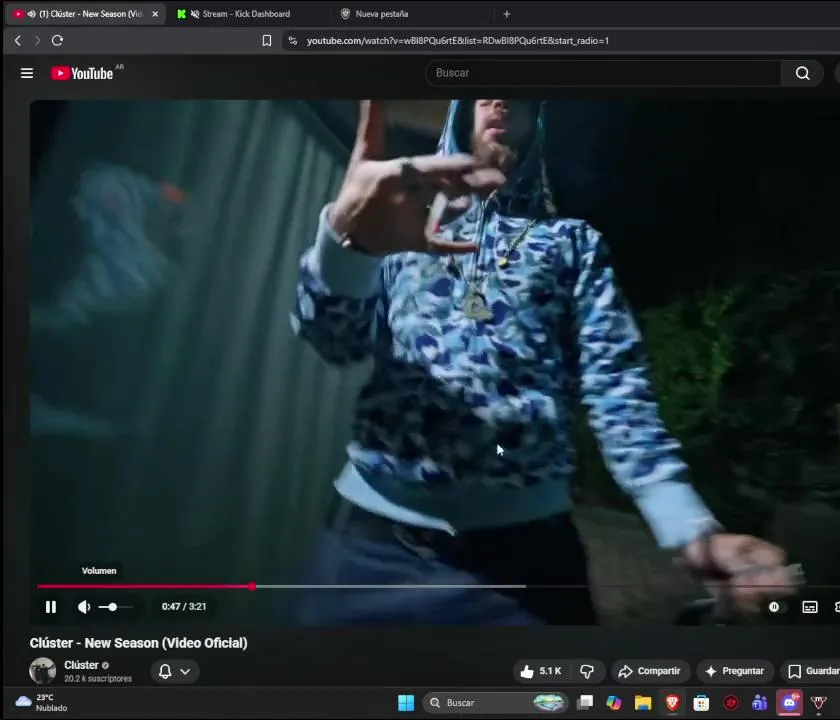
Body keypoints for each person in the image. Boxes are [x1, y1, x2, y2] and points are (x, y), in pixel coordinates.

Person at [289, 99, 797, 625]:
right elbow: (334, 343)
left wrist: (688, 526)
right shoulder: (403, 220)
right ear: (459, 113)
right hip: (372, 551)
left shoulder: (571, 245)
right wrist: (348, 248)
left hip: (527, 568)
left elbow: (616, 385)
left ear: (538, 122)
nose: (500, 97)